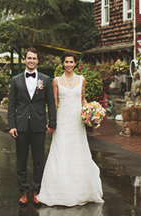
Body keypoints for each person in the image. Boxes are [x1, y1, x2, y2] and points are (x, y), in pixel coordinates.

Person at [37, 51, 104, 207]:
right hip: (63, 121)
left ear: (75, 64)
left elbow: (83, 99)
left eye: (71, 62)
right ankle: (60, 190)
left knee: (78, 151)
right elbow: (54, 103)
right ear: (63, 63)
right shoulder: (56, 81)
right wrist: (51, 122)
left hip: (77, 122)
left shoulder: (82, 79)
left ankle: (81, 189)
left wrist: (91, 111)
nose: (68, 64)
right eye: (66, 62)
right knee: (61, 151)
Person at [8, 47, 57, 205]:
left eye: (34, 58)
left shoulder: (45, 79)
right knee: (21, 161)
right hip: (21, 126)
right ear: (25, 60)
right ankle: (23, 192)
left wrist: (52, 123)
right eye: (29, 58)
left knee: (38, 160)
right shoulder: (16, 80)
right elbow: (11, 104)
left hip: (39, 125)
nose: (31, 61)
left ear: (38, 61)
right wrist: (12, 125)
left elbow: (51, 102)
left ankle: (36, 191)